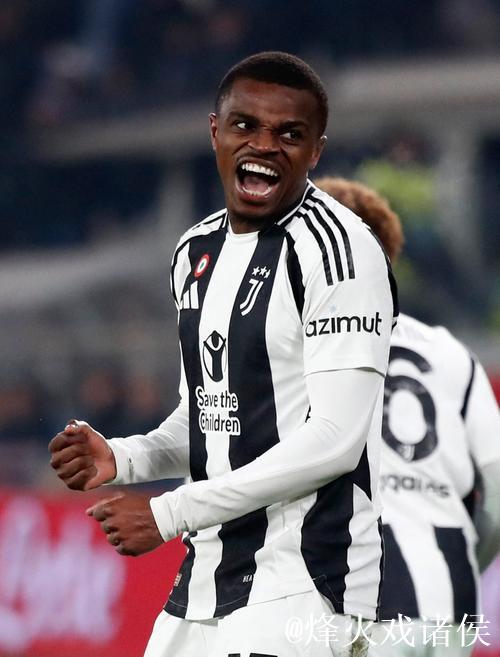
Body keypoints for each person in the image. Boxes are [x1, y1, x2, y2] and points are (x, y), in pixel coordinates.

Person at [48, 52, 397, 657]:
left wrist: (169, 512)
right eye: (245, 126)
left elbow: (336, 439)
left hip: (306, 579)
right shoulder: (195, 251)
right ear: (216, 131)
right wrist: (125, 458)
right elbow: (211, 416)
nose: (264, 146)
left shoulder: (340, 252)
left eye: (289, 134)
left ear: (315, 151)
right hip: (207, 576)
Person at [314, 176, 500, 656]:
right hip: (451, 597)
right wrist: (466, 560)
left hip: (362, 600)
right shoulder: (450, 352)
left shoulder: (299, 350)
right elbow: (498, 494)